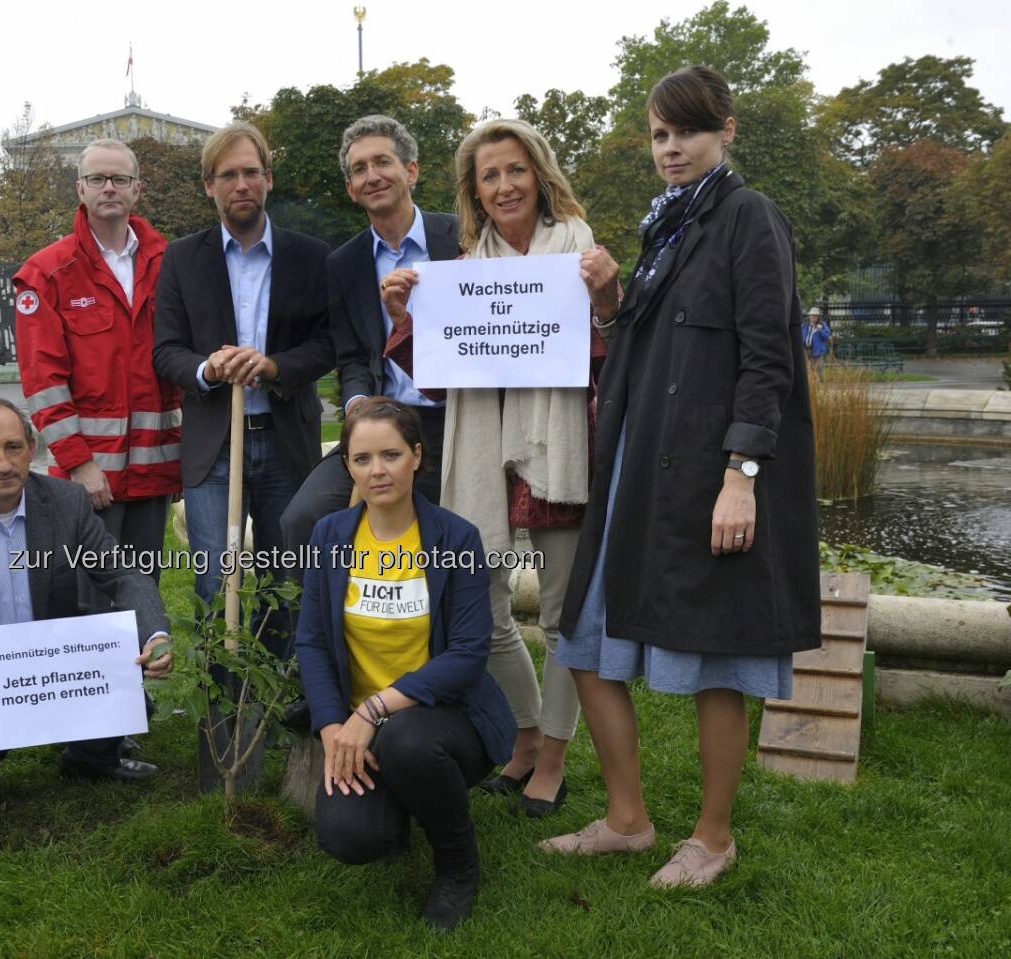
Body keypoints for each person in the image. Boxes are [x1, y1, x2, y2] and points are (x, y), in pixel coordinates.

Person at [542, 66, 820, 887]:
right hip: (637, 467)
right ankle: (627, 819)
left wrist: (742, 473)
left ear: (725, 128)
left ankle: (712, 835)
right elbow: (646, 347)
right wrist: (608, 299)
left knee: (718, 657)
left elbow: (768, 355)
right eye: (660, 135)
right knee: (584, 637)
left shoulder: (749, 217)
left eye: (686, 132)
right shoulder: (666, 227)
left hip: (709, 473)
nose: (671, 149)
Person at [377, 119, 621, 818]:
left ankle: (553, 757)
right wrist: (405, 317)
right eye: (490, 176)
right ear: (474, 192)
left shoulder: (579, 251)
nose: (504, 185)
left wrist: (606, 300)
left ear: (538, 175)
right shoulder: (463, 270)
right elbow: (445, 381)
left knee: (563, 616)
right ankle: (523, 732)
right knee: (479, 614)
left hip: (560, 448)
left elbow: (615, 355)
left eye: (515, 170)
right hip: (485, 454)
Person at [0, 398, 175, 814]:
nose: (3, 463)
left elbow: (123, 575)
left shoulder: (67, 503)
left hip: (56, 665)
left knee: (128, 697)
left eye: (13, 448)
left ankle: (91, 759)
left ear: (33, 448)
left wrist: (157, 635)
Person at [296, 398, 515, 931]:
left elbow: (467, 654)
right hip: (357, 725)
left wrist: (371, 712)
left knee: (408, 743)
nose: (378, 470)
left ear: (417, 456)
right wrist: (330, 729)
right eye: (362, 458)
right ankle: (400, 804)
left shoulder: (454, 538)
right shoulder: (329, 537)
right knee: (354, 838)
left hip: (442, 721)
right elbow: (312, 643)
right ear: (346, 465)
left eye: (391, 454)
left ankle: (458, 863)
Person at [152, 122, 334, 655]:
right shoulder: (183, 258)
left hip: (285, 440)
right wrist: (208, 368)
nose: (241, 184)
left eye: (251, 172)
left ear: (269, 179)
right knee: (214, 583)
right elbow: (166, 351)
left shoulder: (309, 256)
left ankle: (279, 696)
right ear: (209, 185)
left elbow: (327, 344)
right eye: (228, 174)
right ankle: (224, 712)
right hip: (214, 447)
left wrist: (274, 366)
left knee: (287, 581)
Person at [279, 115, 461, 564]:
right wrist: (357, 401)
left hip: (457, 417)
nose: (372, 175)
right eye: (359, 169)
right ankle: (329, 627)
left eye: (382, 162)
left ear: (411, 171)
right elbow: (352, 356)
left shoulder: (462, 238)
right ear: (351, 188)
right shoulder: (345, 263)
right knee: (302, 519)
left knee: (438, 541)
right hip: (384, 418)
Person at [14, 139, 180, 581]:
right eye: (97, 179)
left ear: (137, 190)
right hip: (86, 478)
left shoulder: (170, 265)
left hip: (154, 471)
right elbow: (42, 381)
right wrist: (79, 463)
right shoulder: (47, 273)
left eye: (119, 179)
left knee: (143, 592)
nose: (109, 187)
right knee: (86, 600)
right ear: (80, 189)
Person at [804, 306, 831, 376]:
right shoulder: (805, 325)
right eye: (812, 315)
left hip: (817, 351)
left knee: (817, 369)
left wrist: (820, 331)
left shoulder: (822, 325)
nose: (813, 317)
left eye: (815, 316)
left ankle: (820, 385)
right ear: (809, 316)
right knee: (805, 369)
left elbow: (826, 337)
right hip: (805, 350)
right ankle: (809, 384)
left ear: (818, 317)